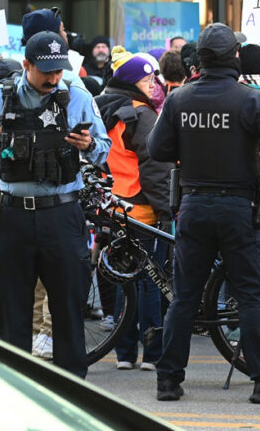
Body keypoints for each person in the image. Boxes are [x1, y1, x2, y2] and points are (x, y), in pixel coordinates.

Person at [147, 23, 260, 404]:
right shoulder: (249, 99)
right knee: (250, 295)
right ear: (234, 57)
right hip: (237, 206)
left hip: (194, 204)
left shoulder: (181, 99)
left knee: (184, 297)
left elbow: (158, 149)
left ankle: (168, 380)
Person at [0, 31, 112, 378]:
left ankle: (72, 401)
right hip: (12, 215)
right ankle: (14, 400)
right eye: (45, 70)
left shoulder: (77, 94)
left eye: (58, 69)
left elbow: (105, 149)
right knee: (11, 317)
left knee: (67, 312)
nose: (53, 78)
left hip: (61, 214)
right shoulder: (3, 96)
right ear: (26, 65)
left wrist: (88, 144)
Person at [95, 53, 171, 372]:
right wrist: (167, 209)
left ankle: (124, 354)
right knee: (148, 280)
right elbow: (154, 169)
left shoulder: (101, 106)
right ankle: (152, 354)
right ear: (131, 82)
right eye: (146, 80)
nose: (153, 85)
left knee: (122, 280)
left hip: (110, 207)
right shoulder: (142, 115)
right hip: (141, 209)